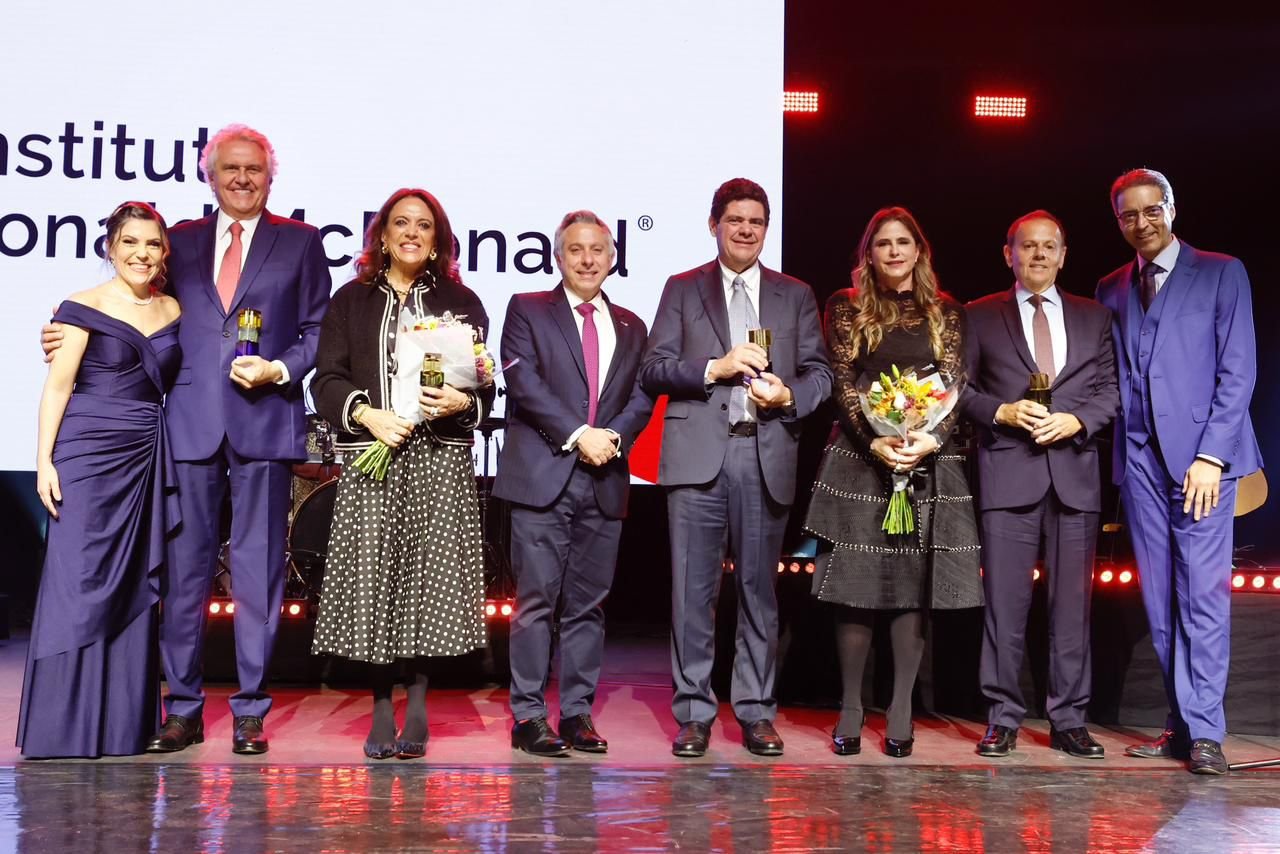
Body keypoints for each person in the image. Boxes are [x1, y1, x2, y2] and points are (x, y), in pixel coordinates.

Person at [43, 124, 331, 754]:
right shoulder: (181, 241)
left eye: (253, 169)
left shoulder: (302, 242)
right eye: (229, 168)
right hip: (187, 428)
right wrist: (72, 328)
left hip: (266, 422)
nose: (242, 179)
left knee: (258, 575)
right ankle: (184, 708)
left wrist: (279, 368)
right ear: (210, 175)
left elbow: (316, 331)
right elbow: (135, 302)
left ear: (270, 175)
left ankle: (251, 709)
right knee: (184, 574)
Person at [640, 178, 832, 757]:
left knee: (758, 592)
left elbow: (820, 374)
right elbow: (654, 368)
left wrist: (789, 397)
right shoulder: (682, 288)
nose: (746, 230)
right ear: (714, 224)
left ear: (765, 229)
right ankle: (694, 713)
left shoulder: (794, 294)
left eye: (756, 221)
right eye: (735, 220)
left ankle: (754, 710)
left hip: (764, 450)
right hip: (698, 456)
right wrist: (714, 367)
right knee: (692, 594)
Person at [310, 188, 492, 759]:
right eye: (400, 224)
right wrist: (367, 414)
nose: (412, 233)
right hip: (376, 453)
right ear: (382, 236)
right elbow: (326, 378)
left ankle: (417, 703)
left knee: (426, 584)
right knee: (376, 580)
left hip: (439, 459)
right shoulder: (351, 301)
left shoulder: (463, 302)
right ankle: (380, 706)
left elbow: (484, 383)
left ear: (437, 239)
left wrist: (463, 404)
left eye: (424, 226)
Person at [1096, 169, 1260, 776]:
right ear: (1118, 221)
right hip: (1139, 461)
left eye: (1151, 210)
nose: (1142, 223)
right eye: (1128, 215)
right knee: (1161, 600)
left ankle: (1208, 733)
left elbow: (1237, 371)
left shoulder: (1221, 271)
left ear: (1171, 208)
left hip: (1202, 465)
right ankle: (1182, 724)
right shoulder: (1112, 285)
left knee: (1203, 597)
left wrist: (1212, 457)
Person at [802, 206, 982, 758]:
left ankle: (901, 705)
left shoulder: (947, 311)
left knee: (912, 588)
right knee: (856, 588)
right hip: (860, 460)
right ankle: (853, 705)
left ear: (920, 251)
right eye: (883, 244)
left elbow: (954, 383)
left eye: (904, 242)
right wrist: (875, 440)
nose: (895, 252)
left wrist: (928, 437)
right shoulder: (845, 306)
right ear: (869, 254)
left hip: (928, 460)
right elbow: (842, 380)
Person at [19, 202, 182, 758]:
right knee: (80, 583)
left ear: (164, 252)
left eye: (153, 244)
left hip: (145, 453)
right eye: (130, 242)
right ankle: (63, 728)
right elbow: (58, 389)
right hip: (87, 455)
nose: (142, 253)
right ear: (110, 247)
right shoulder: (79, 308)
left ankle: (120, 727)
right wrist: (44, 461)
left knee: (135, 584)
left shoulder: (173, 308)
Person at [494, 211, 654, 757]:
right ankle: (529, 716)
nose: (587, 260)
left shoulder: (632, 324)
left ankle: (578, 714)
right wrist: (577, 434)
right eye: (576, 250)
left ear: (613, 259)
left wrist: (610, 436)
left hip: (605, 477)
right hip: (544, 474)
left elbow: (642, 394)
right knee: (537, 602)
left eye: (598, 251)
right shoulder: (527, 308)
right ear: (558, 257)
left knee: (588, 607)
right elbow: (522, 380)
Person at [963, 210, 1119, 759]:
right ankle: (1002, 717)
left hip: (1075, 476)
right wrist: (1001, 411)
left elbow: (1110, 390)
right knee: (1005, 607)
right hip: (1008, 475)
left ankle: (1069, 720)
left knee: (1071, 610)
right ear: (1009, 254)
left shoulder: (1095, 317)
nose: (1038, 255)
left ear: (1063, 254)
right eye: (1027, 246)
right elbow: (959, 392)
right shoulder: (979, 315)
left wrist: (1079, 421)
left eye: (1049, 246)